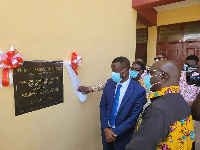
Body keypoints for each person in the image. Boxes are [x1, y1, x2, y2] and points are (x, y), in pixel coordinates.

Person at [126, 60, 194, 150]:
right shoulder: (181, 101)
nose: (147, 77)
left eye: (151, 73)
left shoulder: (157, 110)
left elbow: (140, 146)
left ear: (164, 77)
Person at [100, 56, 146, 150]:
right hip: (106, 134)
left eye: (115, 71)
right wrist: (105, 129)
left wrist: (114, 133)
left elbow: (134, 117)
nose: (113, 73)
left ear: (125, 70)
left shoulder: (139, 90)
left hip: (124, 137)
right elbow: (103, 106)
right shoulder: (110, 83)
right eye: (112, 70)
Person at [77, 56, 146, 94]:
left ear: (141, 72)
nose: (133, 71)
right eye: (132, 69)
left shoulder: (143, 85)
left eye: (136, 70)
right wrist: (89, 89)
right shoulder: (124, 78)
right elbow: (104, 85)